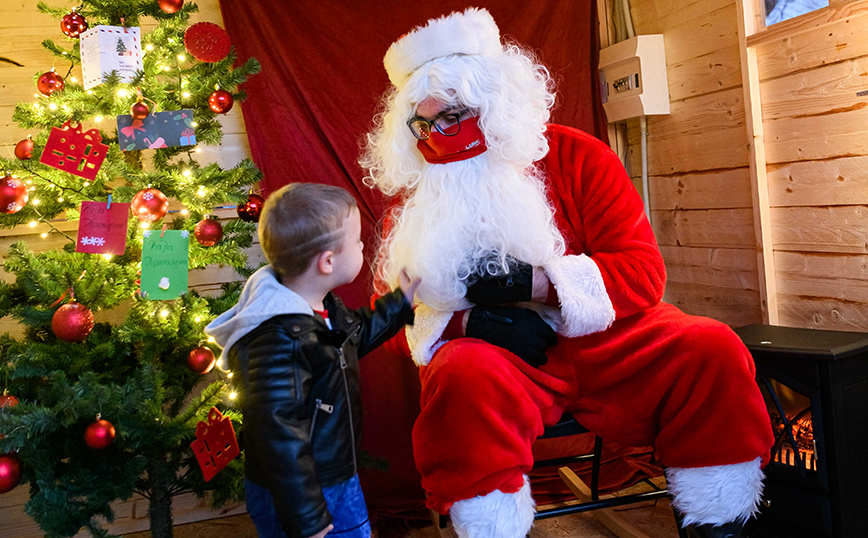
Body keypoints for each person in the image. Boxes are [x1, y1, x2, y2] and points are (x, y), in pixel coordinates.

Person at [360, 8, 774, 538]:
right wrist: (465, 327)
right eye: (422, 125)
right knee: (460, 377)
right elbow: (395, 316)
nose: (436, 137)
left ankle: (717, 521)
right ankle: (491, 528)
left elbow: (643, 273)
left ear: (491, 104)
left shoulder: (579, 157)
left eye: (452, 118)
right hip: (501, 359)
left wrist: (538, 283)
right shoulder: (417, 205)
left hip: (609, 342)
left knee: (709, 347)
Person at [205, 183, 420, 538]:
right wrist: (309, 518)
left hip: (333, 474)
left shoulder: (317, 308)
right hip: (307, 491)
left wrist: (401, 303)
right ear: (328, 262)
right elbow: (280, 437)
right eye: (357, 241)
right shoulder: (279, 340)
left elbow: (353, 337)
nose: (364, 247)